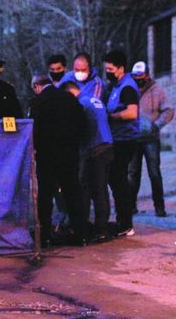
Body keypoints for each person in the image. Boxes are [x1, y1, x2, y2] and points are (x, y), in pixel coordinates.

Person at [30, 75, 85, 246]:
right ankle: (79, 234)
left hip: (47, 155)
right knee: (72, 193)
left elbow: (33, 129)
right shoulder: (69, 98)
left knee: (45, 195)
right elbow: (82, 123)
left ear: (37, 86)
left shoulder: (38, 102)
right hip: (69, 153)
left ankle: (44, 235)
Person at [63, 81, 114, 243]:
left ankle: (100, 230)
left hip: (95, 148)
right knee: (101, 189)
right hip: (107, 145)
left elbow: (83, 127)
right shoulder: (94, 99)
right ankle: (101, 227)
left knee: (93, 189)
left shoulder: (81, 103)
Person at [127, 61, 173, 217]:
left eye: (141, 76)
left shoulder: (157, 90)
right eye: (135, 76)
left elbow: (168, 110)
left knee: (154, 173)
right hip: (133, 138)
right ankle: (130, 206)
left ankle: (159, 207)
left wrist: (157, 125)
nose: (138, 78)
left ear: (147, 75)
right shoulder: (130, 89)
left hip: (150, 139)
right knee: (133, 173)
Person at [103, 50, 139, 237]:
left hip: (124, 140)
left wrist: (112, 116)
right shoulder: (115, 86)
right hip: (117, 138)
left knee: (119, 180)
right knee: (116, 180)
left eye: (110, 69)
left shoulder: (127, 87)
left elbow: (132, 112)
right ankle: (122, 220)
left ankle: (125, 222)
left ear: (120, 68)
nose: (107, 72)